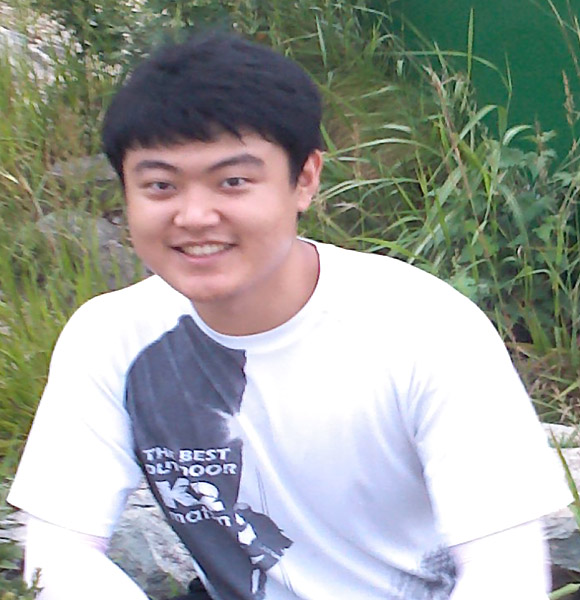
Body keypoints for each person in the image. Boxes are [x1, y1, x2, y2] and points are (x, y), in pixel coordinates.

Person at [7, 31, 571, 600]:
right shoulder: (112, 337)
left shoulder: (426, 328)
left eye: (233, 182)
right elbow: (59, 551)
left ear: (304, 180)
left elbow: (506, 570)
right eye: (160, 185)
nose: (194, 216)